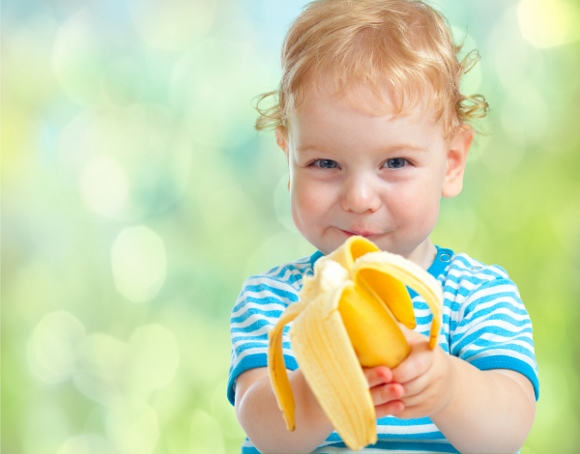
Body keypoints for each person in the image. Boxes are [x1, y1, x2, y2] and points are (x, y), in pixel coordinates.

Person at [227, 0, 539, 452]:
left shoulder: (477, 296)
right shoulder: (276, 302)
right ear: (288, 159)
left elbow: (507, 432)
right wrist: (323, 387)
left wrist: (449, 386)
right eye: (324, 163)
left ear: (451, 163)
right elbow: (265, 431)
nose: (358, 198)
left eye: (395, 162)